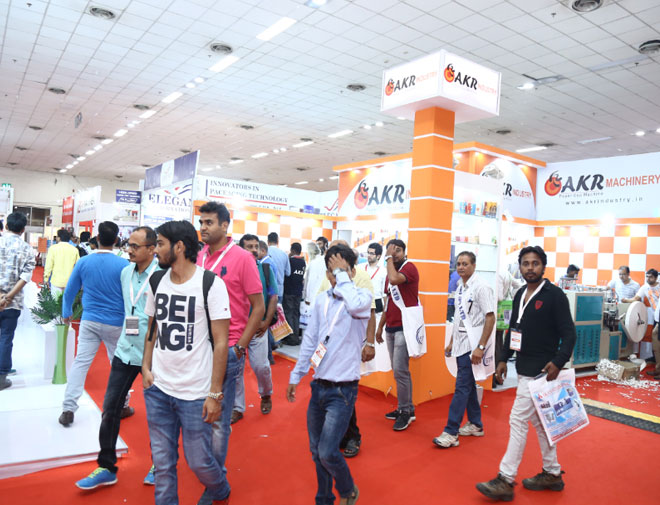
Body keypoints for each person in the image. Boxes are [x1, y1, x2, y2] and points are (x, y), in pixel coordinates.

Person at [476, 246, 576, 502]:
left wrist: (558, 361)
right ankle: (552, 473)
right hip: (522, 367)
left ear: (543, 266)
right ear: (519, 267)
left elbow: (569, 334)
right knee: (542, 424)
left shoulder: (555, 295)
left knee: (518, 420)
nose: (530, 268)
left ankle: (505, 478)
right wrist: (502, 359)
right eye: (525, 263)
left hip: (542, 372)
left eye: (535, 263)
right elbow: (513, 330)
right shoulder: (520, 293)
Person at [142, 220, 232, 505]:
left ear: (179, 247)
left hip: (195, 392)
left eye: (160, 244)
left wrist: (214, 394)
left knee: (199, 462)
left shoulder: (211, 284)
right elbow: (152, 327)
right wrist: (145, 367)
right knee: (162, 464)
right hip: (158, 389)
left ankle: (220, 489)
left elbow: (221, 342)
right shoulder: (156, 281)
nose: (155, 250)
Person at [75, 226, 159, 490]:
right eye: (128, 245)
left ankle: (160, 464)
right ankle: (106, 466)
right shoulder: (125, 273)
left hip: (154, 354)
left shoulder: (162, 276)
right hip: (125, 349)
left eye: (135, 246)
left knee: (158, 414)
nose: (129, 250)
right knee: (110, 408)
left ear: (152, 249)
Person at [287, 244, 371, 505]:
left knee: (327, 451)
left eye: (343, 270)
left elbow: (355, 305)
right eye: (333, 271)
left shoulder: (362, 298)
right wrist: (296, 374)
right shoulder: (322, 301)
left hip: (343, 391)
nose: (337, 275)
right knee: (316, 451)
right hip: (318, 387)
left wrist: (342, 275)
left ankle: (347, 490)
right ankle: (324, 498)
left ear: (352, 272)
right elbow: (311, 340)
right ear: (327, 274)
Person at [197, 201, 264, 505]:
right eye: (201, 222)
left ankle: (215, 482)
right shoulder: (199, 256)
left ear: (225, 226)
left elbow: (258, 306)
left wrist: (240, 346)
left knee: (218, 421)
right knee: (198, 413)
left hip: (228, 347)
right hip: (198, 347)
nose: (203, 227)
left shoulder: (242, 258)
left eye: (209, 222)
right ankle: (208, 469)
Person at [59, 221, 129, 426]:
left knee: (80, 363)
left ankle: (68, 408)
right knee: (118, 365)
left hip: (89, 320)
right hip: (116, 322)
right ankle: (122, 405)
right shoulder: (124, 265)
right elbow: (130, 297)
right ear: (116, 240)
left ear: (97, 238)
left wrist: (66, 313)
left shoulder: (84, 262)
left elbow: (70, 291)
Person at [433, 251, 495, 448]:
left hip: (473, 345)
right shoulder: (461, 286)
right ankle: (476, 424)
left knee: (461, 387)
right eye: (458, 263)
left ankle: (451, 432)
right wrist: (452, 342)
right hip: (460, 345)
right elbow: (459, 319)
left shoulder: (482, 287)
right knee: (467, 385)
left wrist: (480, 347)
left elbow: (490, 317)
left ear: (474, 265)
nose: (461, 267)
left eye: (465, 264)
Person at [232, 234, 278, 424]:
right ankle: (237, 407)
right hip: (236, 328)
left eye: (255, 247)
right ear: (240, 249)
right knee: (235, 370)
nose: (253, 250)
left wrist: (266, 321)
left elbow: (273, 296)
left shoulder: (265, 269)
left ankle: (266, 394)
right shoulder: (233, 268)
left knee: (261, 366)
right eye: (249, 246)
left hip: (258, 327)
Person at [376, 239, 419, 431]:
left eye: (397, 251)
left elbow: (394, 280)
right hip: (391, 327)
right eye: (391, 251)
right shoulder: (390, 271)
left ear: (404, 252)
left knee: (401, 371)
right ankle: (406, 408)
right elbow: (388, 303)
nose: (394, 254)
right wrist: (380, 327)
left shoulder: (409, 268)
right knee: (398, 371)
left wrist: (388, 259)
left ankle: (405, 412)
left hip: (404, 327)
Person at [0, 212, 35, 391]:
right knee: (6, 338)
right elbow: (25, 277)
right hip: (12, 303)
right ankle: (1, 377)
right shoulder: (28, 249)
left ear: (6, 226)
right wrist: (7, 297)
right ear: (23, 230)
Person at [632, 269, 660, 378]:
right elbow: (636, 298)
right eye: (647, 276)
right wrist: (626, 300)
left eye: (651, 277)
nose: (648, 279)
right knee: (656, 341)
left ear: (656, 278)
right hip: (657, 318)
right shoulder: (645, 287)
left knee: (656, 338)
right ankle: (658, 368)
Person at [282, 242, 306, 346]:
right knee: (296, 314)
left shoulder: (290, 261)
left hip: (289, 291)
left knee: (289, 314)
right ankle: (296, 337)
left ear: (292, 250)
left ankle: (291, 338)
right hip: (298, 292)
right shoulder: (303, 262)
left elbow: (286, 274)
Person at [44, 229, 79, 295]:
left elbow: (48, 265)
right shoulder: (74, 250)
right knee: (67, 301)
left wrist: (46, 279)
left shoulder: (53, 248)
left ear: (59, 238)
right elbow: (78, 266)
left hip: (56, 281)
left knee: (55, 301)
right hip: (69, 282)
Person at [365, 243, 387, 319]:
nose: (369, 255)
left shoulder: (383, 271)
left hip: (377, 306)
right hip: (362, 303)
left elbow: (384, 294)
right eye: (368, 253)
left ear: (378, 256)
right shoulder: (360, 267)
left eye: (371, 253)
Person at [267, 232, 291, 300]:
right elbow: (288, 273)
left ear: (268, 241)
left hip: (266, 289)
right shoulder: (284, 254)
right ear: (277, 241)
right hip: (279, 290)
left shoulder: (264, 252)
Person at [304, 242, 327, 309]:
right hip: (324, 295)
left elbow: (311, 281)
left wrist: (308, 298)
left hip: (314, 295)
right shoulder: (324, 260)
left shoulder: (313, 263)